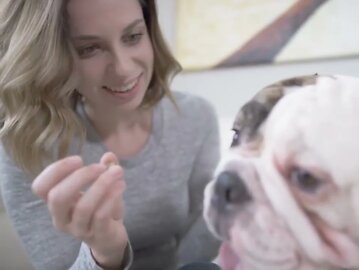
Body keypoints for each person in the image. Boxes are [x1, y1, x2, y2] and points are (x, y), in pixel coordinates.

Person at [0, 0, 222, 269]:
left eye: (133, 36)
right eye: (89, 49)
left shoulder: (196, 118)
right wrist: (105, 254)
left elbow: (201, 246)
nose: (123, 68)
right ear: (52, 58)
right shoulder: (27, 147)